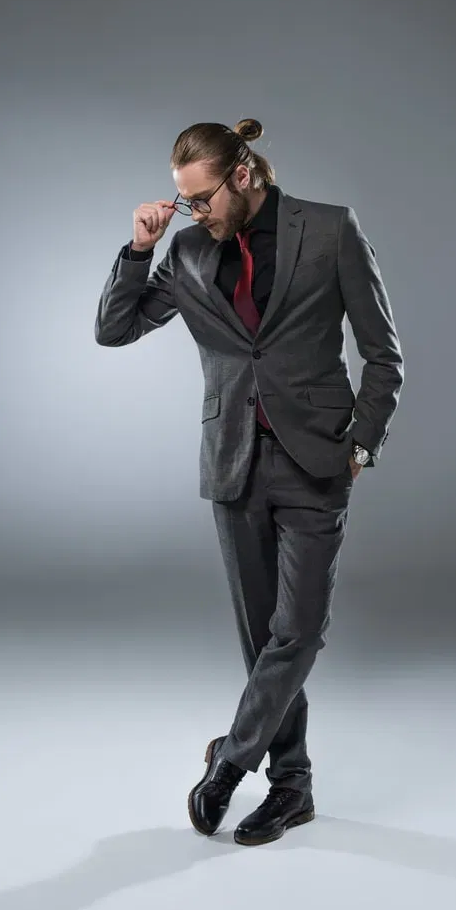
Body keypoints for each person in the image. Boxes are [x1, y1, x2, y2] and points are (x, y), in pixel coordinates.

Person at [95, 118, 404, 846]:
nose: (193, 213)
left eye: (200, 199)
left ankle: (229, 763)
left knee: (299, 631)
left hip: (316, 457)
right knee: (261, 637)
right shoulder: (186, 250)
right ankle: (292, 783)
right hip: (233, 461)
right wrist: (139, 250)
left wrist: (362, 443)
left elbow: (383, 354)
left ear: (241, 176)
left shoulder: (328, 229)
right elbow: (115, 328)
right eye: (184, 201)